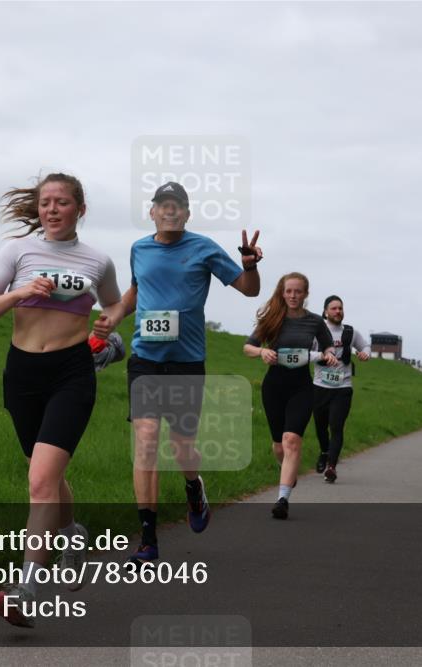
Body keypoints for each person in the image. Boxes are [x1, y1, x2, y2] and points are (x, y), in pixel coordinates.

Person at [0, 173, 123, 628]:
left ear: (80, 208)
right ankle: (72, 534)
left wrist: (107, 326)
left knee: (39, 481)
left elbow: (114, 307)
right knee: (48, 478)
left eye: (61, 202)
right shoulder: (17, 251)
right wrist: (19, 292)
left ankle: (24, 588)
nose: (52, 209)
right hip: (21, 375)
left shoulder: (98, 261)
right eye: (45, 203)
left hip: (71, 374)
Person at [96, 181, 262, 564]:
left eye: (178, 206)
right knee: (147, 440)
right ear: (152, 212)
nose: (170, 211)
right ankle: (148, 539)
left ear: (187, 214)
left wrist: (250, 266)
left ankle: (193, 487)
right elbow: (136, 292)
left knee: (181, 445)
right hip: (145, 360)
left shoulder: (203, 248)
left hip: (187, 362)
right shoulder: (139, 248)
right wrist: (112, 318)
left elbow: (248, 290)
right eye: (162, 205)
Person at [243, 273, 336, 518]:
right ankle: (286, 470)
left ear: (305, 294)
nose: (293, 296)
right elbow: (247, 346)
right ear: (282, 293)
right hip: (274, 386)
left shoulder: (315, 322)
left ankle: (282, 498)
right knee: (278, 445)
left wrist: (329, 354)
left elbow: (328, 345)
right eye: (289, 291)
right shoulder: (272, 319)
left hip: (301, 386)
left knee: (292, 440)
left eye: (298, 291)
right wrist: (261, 352)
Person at [311, 295, 370, 482]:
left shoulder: (350, 332)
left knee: (336, 427)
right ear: (325, 311)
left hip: (343, 387)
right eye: (334, 308)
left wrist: (364, 353)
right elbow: (306, 352)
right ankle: (324, 451)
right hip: (320, 386)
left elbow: (366, 345)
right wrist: (321, 355)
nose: (338, 311)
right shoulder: (317, 331)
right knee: (320, 427)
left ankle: (331, 467)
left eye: (340, 308)